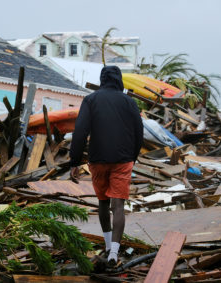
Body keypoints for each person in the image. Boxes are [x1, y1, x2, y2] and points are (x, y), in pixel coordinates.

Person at [69, 65, 143, 266]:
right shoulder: (129, 102)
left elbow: (80, 132)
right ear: (119, 80)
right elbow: (139, 132)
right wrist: (132, 157)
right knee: (117, 205)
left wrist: (74, 161)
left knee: (103, 202)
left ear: (102, 79)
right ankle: (114, 254)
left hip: (98, 159)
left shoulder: (91, 100)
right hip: (123, 160)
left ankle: (109, 245)